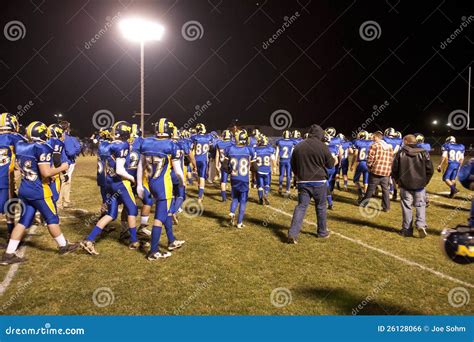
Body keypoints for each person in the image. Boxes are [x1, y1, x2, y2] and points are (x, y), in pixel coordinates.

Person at [2, 121, 78, 265]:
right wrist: (62, 167)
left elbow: (18, 165)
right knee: (52, 219)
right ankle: (63, 246)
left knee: (23, 221)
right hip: (39, 190)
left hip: (25, 188)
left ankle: (9, 254)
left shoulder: (20, 145)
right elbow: (45, 172)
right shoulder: (42, 148)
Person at [81, 121, 139, 255]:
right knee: (132, 209)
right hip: (120, 183)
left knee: (111, 214)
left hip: (108, 183)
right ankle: (134, 240)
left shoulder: (104, 144)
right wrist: (132, 179)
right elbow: (119, 170)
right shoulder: (122, 145)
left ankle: (89, 240)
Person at [136, 118, 185, 260]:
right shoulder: (171, 145)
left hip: (151, 183)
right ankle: (153, 251)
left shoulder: (146, 142)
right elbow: (178, 171)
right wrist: (182, 183)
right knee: (159, 218)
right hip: (164, 185)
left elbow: (141, 165)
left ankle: (171, 240)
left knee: (166, 212)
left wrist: (139, 184)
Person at [288, 124, 334, 243]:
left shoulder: (299, 146)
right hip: (319, 181)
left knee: (301, 207)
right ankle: (322, 232)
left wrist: (299, 175)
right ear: (320, 135)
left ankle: (293, 233)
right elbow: (331, 165)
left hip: (303, 181)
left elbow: (293, 164)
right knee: (321, 207)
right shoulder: (322, 146)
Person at [392, 134, 433, 237]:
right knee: (420, 205)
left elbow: (394, 170)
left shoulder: (400, 153)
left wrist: (398, 181)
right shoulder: (424, 152)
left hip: (405, 185)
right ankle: (421, 224)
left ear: (406, 141)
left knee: (407, 206)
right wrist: (424, 181)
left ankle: (407, 229)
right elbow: (430, 170)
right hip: (420, 185)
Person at [223, 130, 256, 228]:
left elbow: (224, 166)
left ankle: (232, 212)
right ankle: (239, 223)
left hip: (234, 178)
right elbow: (255, 168)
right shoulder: (249, 150)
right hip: (244, 179)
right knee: (243, 200)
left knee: (235, 198)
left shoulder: (229, 149)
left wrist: (230, 171)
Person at [359, 131, 394, 212]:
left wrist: (370, 167)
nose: (372, 138)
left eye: (373, 137)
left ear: (376, 137)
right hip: (386, 172)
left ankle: (364, 203)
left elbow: (370, 158)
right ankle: (386, 207)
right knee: (385, 190)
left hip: (376, 170)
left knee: (370, 188)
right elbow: (392, 159)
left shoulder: (374, 145)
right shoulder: (389, 146)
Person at [58, 121, 81, 208]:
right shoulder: (67, 138)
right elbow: (71, 152)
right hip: (66, 162)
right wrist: (76, 151)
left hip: (56, 162)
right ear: (67, 128)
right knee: (64, 181)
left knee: (65, 181)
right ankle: (60, 203)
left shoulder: (55, 138)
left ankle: (66, 201)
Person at [191, 123, 213, 202]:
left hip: (196, 159)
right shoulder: (209, 137)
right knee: (202, 177)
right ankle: (200, 196)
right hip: (204, 159)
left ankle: (200, 193)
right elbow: (210, 147)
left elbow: (192, 148)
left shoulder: (194, 137)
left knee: (198, 177)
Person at [351, 130, 373, 201]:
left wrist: (352, 164)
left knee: (355, 180)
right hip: (368, 164)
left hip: (361, 163)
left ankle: (360, 192)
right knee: (366, 182)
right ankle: (365, 198)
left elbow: (355, 154)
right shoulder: (371, 142)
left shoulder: (357, 142)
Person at [275, 130, 296, 196]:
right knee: (288, 175)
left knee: (281, 174)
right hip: (289, 160)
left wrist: (276, 159)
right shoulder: (292, 142)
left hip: (282, 159)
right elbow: (292, 152)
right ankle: (287, 189)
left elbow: (277, 151)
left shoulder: (280, 141)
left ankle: (280, 187)